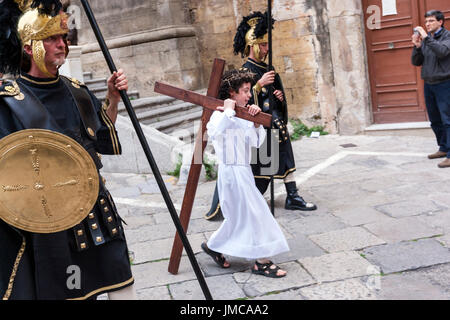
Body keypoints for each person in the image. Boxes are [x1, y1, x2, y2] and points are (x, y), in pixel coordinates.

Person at [0, 0, 135, 300]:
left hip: (98, 212)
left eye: (63, 37)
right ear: (28, 46)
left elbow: (99, 139)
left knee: (122, 285)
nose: (63, 44)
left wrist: (112, 99)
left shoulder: (77, 90)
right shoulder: (10, 101)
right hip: (52, 226)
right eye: (51, 39)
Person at [204, 11, 317, 220]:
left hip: (275, 123)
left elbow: (271, 97)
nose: (266, 49)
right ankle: (251, 198)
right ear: (253, 45)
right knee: (263, 165)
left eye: (267, 45)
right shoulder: (245, 70)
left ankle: (292, 195)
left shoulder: (268, 67)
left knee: (284, 157)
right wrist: (257, 86)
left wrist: (278, 96)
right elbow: (243, 102)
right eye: (263, 45)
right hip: (260, 126)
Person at [201, 69, 290, 278]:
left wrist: (256, 123)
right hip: (231, 173)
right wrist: (229, 112)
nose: (250, 95)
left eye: (249, 91)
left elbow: (255, 143)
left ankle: (214, 246)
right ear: (232, 93)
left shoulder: (242, 114)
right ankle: (262, 262)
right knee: (256, 213)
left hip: (244, 170)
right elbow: (214, 133)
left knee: (239, 218)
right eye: (245, 91)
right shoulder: (218, 113)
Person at [412, 10, 450, 168]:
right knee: (435, 120)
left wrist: (426, 38)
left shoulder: (447, 37)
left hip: (444, 84)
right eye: (426, 21)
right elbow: (416, 62)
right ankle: (443, 148)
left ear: (440, 22)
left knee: (447, 120)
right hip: (429, 84)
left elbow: (442, 52)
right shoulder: (427, 40)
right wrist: (418, 47)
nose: (427, 24)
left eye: (431, 21)